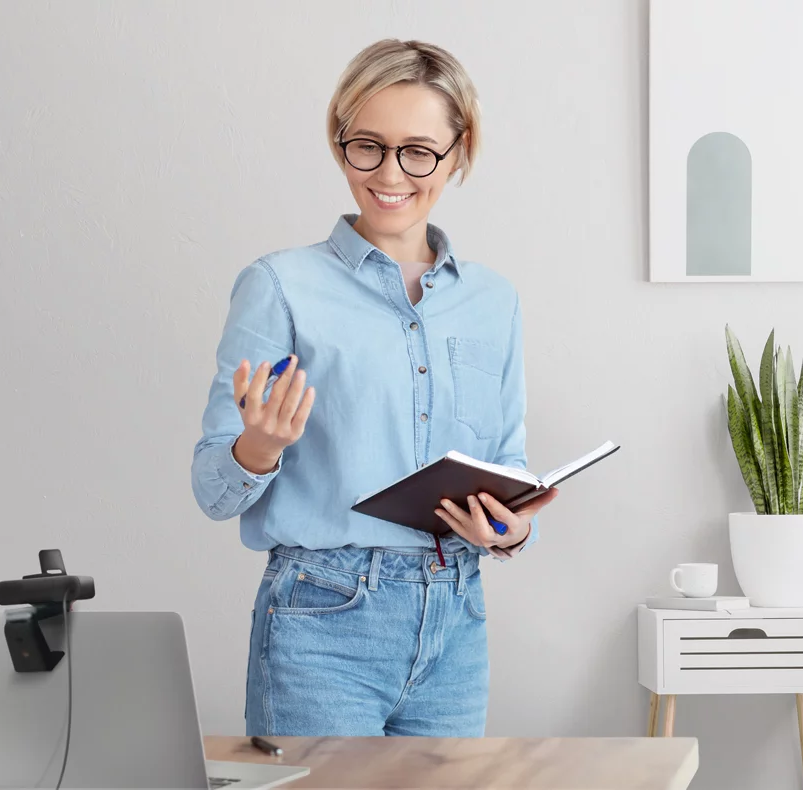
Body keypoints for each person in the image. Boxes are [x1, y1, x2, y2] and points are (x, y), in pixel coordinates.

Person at [190, 39, 559, 738]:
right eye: (368, 145)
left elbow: (508, 463)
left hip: (457, 622)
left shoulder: (493, 301)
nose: (390, 173)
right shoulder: (279, 287)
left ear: (459, 151)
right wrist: (259, 447)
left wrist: (512, 529)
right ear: (341, 142)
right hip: (321, 624)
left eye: (419, 150)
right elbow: (212, 488)